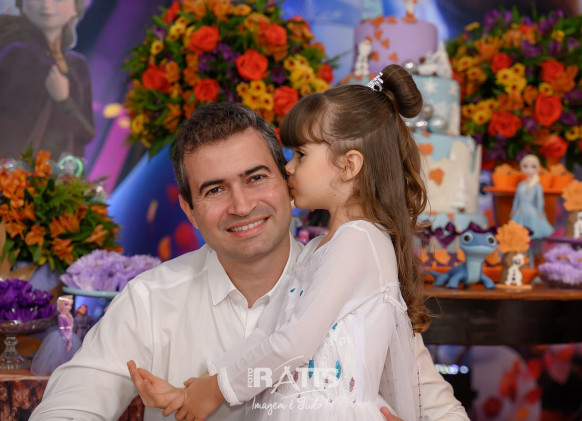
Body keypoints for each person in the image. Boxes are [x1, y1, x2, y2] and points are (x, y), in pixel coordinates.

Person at [31, 101, 468, 420]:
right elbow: (68, 407)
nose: (241, 206)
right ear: (189, 210)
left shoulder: (354, 289)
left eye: (256, 178)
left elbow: (440, 411)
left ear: (286, 181)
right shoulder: (150, 300)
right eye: (215, 190)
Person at [128, 65, 458, 420]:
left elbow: (295, 342)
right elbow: (268, 333)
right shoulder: (319, 249)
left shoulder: (359, 242)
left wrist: (218, 389)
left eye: (301, 154)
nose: (288, 167)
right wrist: (202, 387)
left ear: (348, 166)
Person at [0, 0, 94, 160]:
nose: (46, 5)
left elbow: (87, 133)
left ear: (76, 8)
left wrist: (64, 100)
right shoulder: (16, 53)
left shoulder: (79, 66)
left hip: (61, 170)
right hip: (15, 168)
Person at [510, 154, 554, 264]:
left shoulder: (537, 186)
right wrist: (513, 209)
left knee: (533, 235)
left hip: (531, 212)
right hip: (520, 212)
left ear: (537, 168)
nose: (529, 169)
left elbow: (540, 200)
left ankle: (535, 257)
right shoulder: (521, 185)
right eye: (525, 166)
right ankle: (524, 258)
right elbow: (516, 199)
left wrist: (539, 211)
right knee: (520, 235)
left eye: (533, 167)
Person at [31, 295, 81, 376]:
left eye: (70, 305)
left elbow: (70, 327)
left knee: (69, 354)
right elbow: (62, 329)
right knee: (61, 353)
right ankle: (60, 370)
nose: (69, 307)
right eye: (66, 304)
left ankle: (67, 370)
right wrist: (68, 339)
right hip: (64, 336)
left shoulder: (68, 315)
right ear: (60, 305)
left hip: (69, 335)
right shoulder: (61, 316)